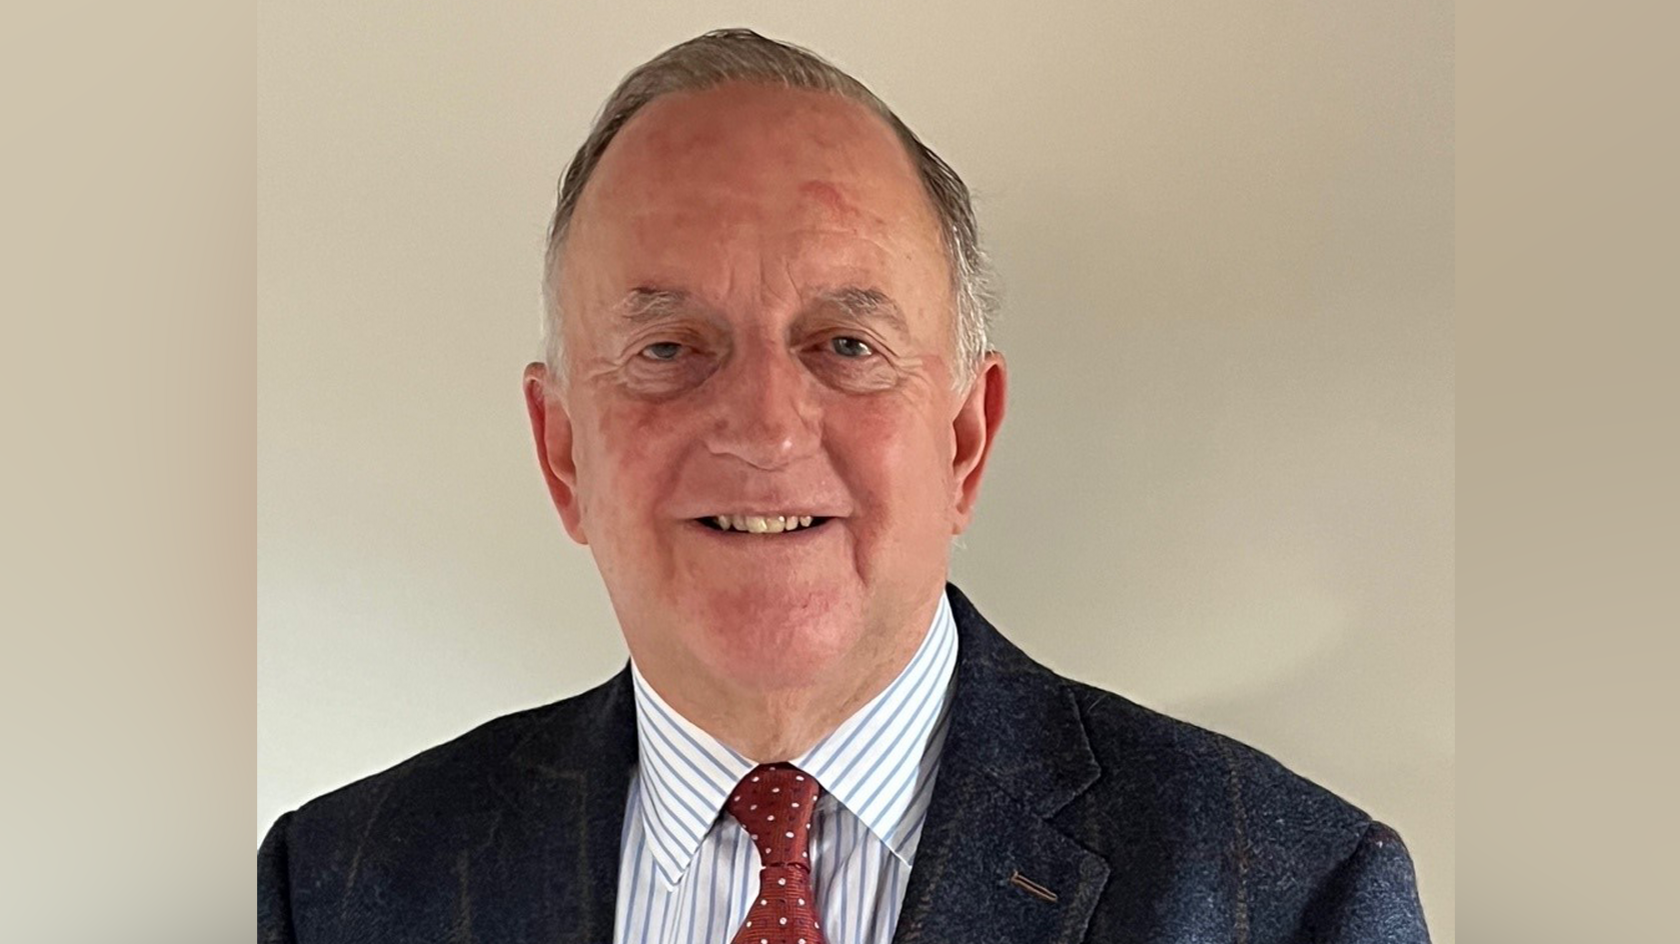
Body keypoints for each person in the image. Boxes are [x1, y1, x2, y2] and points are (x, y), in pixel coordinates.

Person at [258, 28, 1429, 944]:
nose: (765, 424)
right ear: (563, 449)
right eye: (668, 348)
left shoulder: (1287, 898)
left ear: (965, 437)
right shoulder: (342, 887)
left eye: (846, 345)